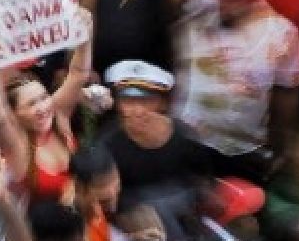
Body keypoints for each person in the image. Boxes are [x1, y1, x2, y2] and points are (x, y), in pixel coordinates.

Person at [176, 0, 299, 166]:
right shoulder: (200, 10)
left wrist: (281, 146)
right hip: (188, 139)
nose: (221, 4)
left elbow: (287, 94)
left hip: (242, 150)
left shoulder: (282, 33)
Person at [100, 60, 269, 210]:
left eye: (146, 101)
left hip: (186, 212)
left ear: (162, 104)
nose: (138, 111)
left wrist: (208, 194)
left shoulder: (182, 134)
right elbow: (107, 198)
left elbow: (201, 176)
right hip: (137, 222)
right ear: (118, 104)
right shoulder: (107, 144)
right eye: (129, 101)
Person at [0, 7, 93, 201]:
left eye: (43, 97)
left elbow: (78, 74)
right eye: (31, 104)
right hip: (50, 228)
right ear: (15, 114)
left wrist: (85, 36)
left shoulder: (57, 115)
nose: (42, 108)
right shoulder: (17, 145)